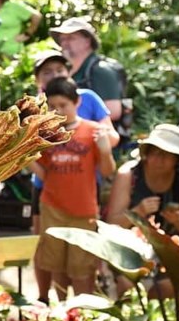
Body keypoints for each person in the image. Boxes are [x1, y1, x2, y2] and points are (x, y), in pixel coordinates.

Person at [30, 77, 115, 300]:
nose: (58, 111)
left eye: (63, 105)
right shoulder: (46, 132)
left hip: (84, 211)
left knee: (83, 267)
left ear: (77, 102)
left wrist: (105, 151)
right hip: (53, 208)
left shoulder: (93, 131)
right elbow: (42, 169)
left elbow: (107, 171)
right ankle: (63, 315)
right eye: (53, 106)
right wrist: (29, 161)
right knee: (55, 262)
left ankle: (83, 314)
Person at [29, 50, 120, 238]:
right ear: (37, 79)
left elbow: (112, 136)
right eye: (47, 72)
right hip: (46, 184)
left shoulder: (87, 97)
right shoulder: (34, 106)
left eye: (59, 70)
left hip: (82, 182)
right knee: (43, 245)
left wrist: (89, 140)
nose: (55, 75)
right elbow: (27, 150)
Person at [106, 124, 179, 238]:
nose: (160, 159)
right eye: (155, 152)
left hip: (169, 246)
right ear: (146, 153)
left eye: (167, 155)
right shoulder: (129, 175)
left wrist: (176, 220)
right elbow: (111, 222)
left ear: (177, 160)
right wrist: (138, 212)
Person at [49, 17, 127, 134]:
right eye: (62, 39)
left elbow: (114, 111)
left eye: (71, 38)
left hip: (100, 143)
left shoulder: (101, 71)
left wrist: (78, 125)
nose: (65, 43)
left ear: (87, 41)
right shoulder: (68, 72)